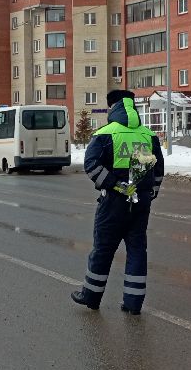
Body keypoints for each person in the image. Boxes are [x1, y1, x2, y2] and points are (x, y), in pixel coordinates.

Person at [70, 90, 164, 315]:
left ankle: (91, 296)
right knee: (137, 250)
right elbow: (158, 170)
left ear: (113, 107)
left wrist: (112, 184)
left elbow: (91, 164)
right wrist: (151, 192)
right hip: (140, 204)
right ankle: (133, 304)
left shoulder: (105, 133)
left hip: (113, 203)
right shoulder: (147, 135)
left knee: (103, 249)